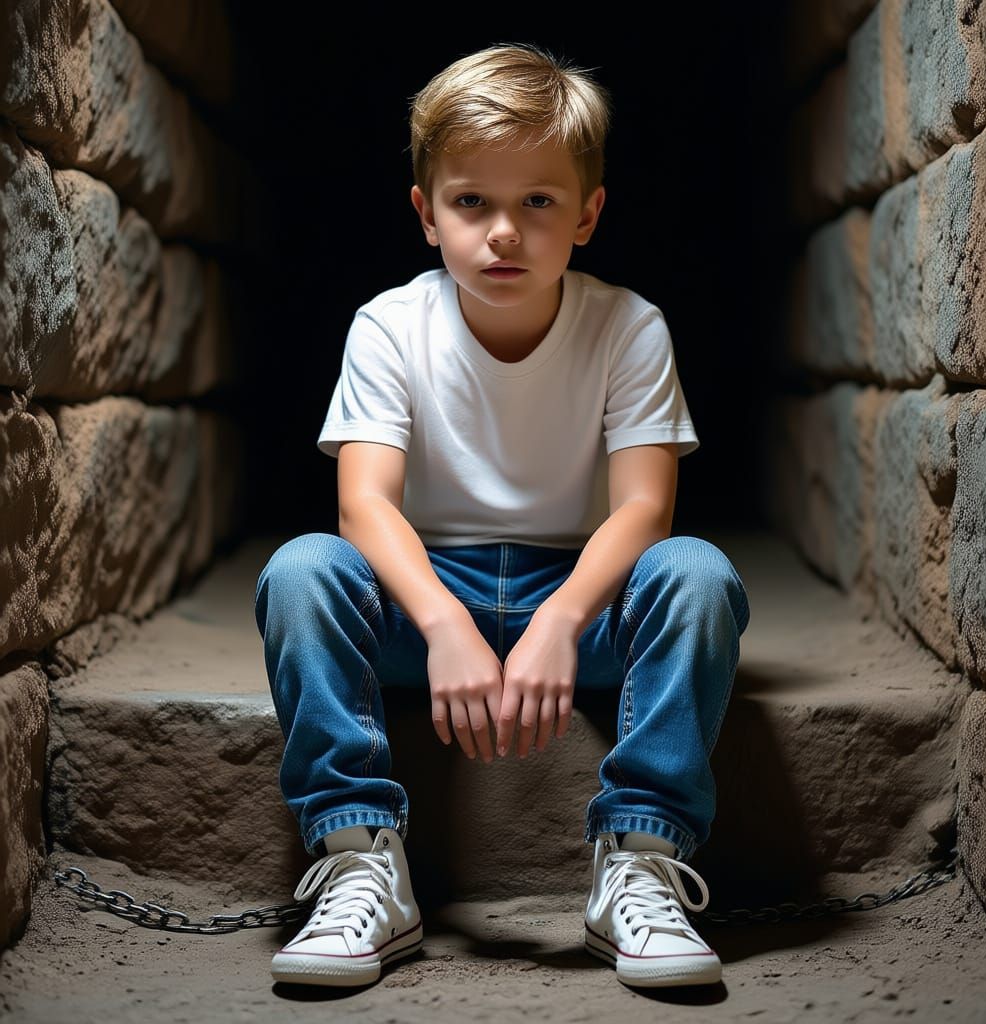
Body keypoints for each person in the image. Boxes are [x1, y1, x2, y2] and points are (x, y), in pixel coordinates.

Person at [254, 41, 751, 991]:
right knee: (302, 569)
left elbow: (645, 505)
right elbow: (365, 503)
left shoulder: (628, 326)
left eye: (539, 201)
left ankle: (640, 858)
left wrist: (562, 618)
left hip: (584, 595)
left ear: (590, 213)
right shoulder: (389, 325)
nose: (505, 233)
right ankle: (361, 855)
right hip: (421, 593)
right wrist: (442, 624)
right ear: (426, 216)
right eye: (472, 201)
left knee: (697, 574)